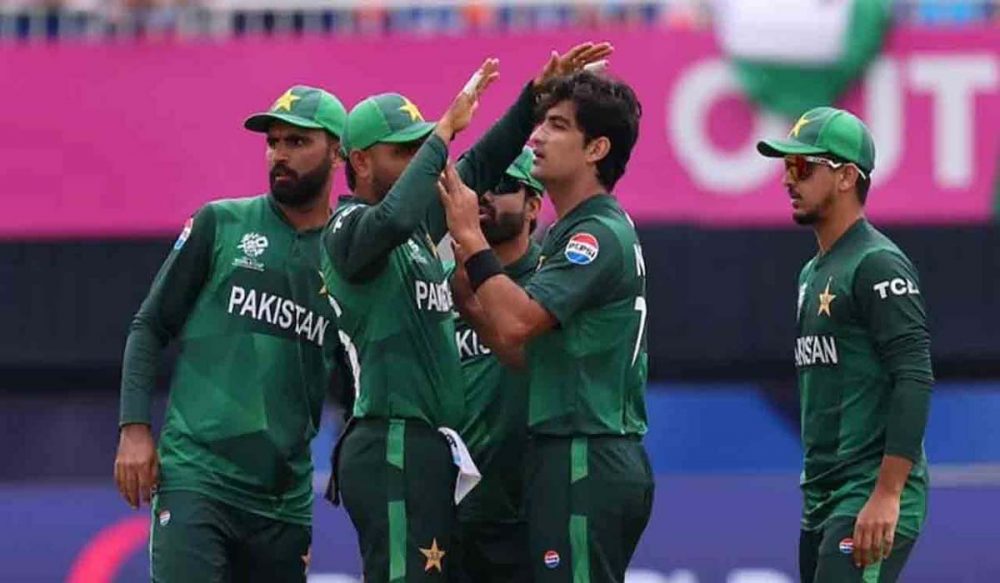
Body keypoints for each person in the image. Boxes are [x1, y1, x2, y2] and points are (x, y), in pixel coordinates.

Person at [323, 45, 611, 583]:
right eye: (402, 152)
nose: (421, 163)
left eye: (420, 150)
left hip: (427, 448)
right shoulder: (347, 228)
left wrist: (532, 101)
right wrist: (442, 134)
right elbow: (391, 219)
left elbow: (476, 169)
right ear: (359, 162)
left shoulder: (414, 231)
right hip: (389, 437)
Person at [113, 85, 349, 581]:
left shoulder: (347, 250)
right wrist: (134, 428)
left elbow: (354, 369)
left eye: (297, 142)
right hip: (198, 477)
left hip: (284, 499)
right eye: (273, 142)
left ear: (337, 152)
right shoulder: (221, 223)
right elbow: (149, 325)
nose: (279, 154)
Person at [438, 69, 653, 583]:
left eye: (557, 126)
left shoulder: (593, 234)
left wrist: (469, 236)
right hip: (573, 455)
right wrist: (470, 306)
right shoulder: (573, 230)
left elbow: (517, 324)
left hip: (585, 454)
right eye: (541, 123)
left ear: (596, 148)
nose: (536, 136)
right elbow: (527, 357)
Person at [757, 106, 933, 582]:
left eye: (802, 166)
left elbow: (914, 376)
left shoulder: (878, 263)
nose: (787, 180)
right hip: (821, 497)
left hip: (868, 493)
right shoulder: (810, 273)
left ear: (846, 176)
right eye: (786, 166)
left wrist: (888, 494)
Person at [449, 148, 544, 582]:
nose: (484, 194)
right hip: (450, 514)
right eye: (476, 185)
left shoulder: (552, 282)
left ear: (533, 206)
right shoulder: (442, 282)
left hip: (530, 515)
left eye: (503, 185)